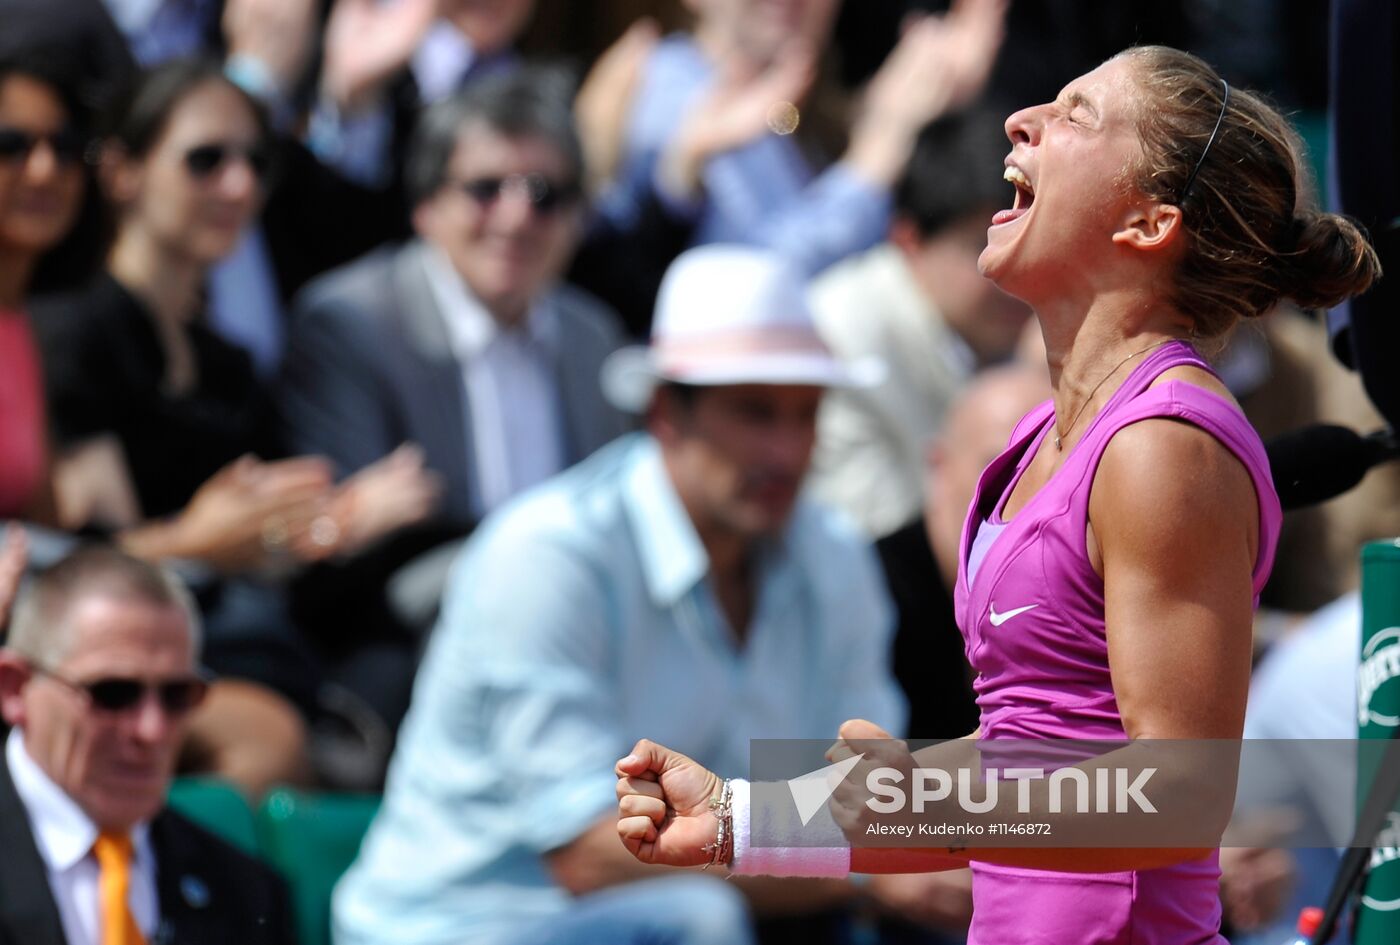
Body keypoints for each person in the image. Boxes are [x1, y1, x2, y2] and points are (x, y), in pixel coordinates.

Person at [614, 46, 1382, 944]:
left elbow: (1180, 791)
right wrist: (747, 819)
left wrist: (929, 801)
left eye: (1078, 114)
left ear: (1146, 221)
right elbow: (1034, 748)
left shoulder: (1164, 446)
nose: (1023, 122)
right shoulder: (1034, 439)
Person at [331, 244, 970, 945]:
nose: (787, 450)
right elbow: (591, 853)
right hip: (466, 923)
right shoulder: (549, 554)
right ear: (666, 412)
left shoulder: (831, 551)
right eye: (757, 412)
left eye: (806, 414)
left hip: (691, 911)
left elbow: (871, 799)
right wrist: (866, 867)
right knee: (704, 917)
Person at [0, 544, 294, 944]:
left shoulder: (246, 894)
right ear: (16, 688)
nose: (152, 730)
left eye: (178, 695)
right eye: (113, 693)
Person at [808, 108, 1032, 537]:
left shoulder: (1029, 339)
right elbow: (874, 542)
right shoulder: (840, 332)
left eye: (1028, 246)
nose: (1013, 276)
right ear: (908, 240)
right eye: (983, 246)